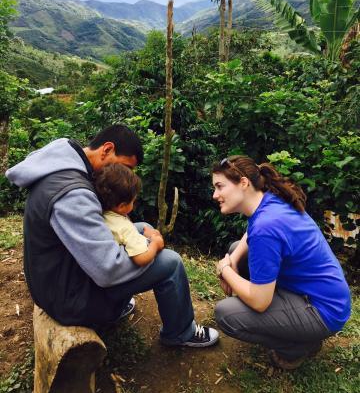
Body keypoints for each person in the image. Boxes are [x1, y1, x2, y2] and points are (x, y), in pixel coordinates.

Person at [5, 124, 219, 347]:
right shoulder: (74, 195)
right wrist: (152, 247)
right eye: (125, 166)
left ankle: (119, 301)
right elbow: (108, 270)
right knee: (170, 263)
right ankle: (180, 333)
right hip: (69, 300)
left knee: (141, 228)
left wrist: (142, 240)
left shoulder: (63, 160)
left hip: (59, 275)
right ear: (106, 149)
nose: (126, 175)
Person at [212, 155, 351, 369]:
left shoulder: (266, 227)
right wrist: (233, 259)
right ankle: (297, 330)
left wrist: (225, 269)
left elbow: (260, 302)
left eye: (220, 186)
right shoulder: (269, 201)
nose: (215, 195)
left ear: (243, 183)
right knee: (234, 249)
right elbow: (252, 230)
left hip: (322, 309)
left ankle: (299, 346)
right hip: (325, 293)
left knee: (226, 314)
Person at [94, 162, 164, 267]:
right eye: (133, 201)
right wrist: (155, 243)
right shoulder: (125, 228)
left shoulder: (100, 211)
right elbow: (141, 259)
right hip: (119, 274)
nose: (134, 204)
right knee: (174, 260)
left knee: (146, 226)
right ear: (122, 206)